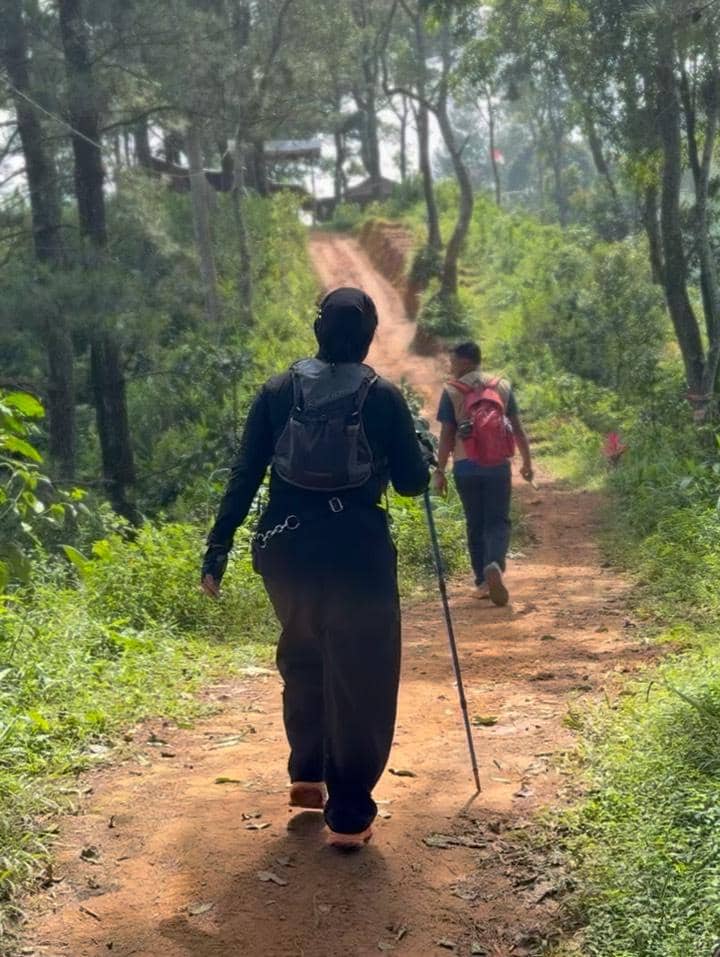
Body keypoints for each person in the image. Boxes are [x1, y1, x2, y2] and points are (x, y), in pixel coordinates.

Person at [201, 287, 429, 849]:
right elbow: (411, 483)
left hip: (287, 551)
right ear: (369, 334)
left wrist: (218, 549)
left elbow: (246, 472)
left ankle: (307, 775)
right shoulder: (382, 397)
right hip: (357, 553)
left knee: (303, 654)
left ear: (318, 329)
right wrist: (417, 452)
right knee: (361, 674)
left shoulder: (278, 390)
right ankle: (349, 814)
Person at [432, 341, 533, 606]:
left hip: (466, 466)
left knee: (475, 523)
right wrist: (527, 463)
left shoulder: (452, 391)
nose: (450, 366)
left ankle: (481, 582)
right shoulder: (502, 386)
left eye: (453, 361)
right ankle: (494, 565)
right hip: (498, 465)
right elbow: (518, 429)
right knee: (497, 521)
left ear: (465, 362)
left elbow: (446, 435)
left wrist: (440, 470)